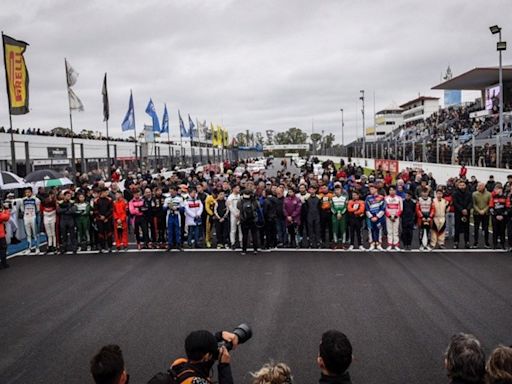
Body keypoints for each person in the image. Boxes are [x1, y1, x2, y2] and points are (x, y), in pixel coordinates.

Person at [162, 330, 238, 384]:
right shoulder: (196, 381)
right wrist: (224, 366)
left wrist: (219, 335)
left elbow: (199, 348)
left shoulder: (179, 363)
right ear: (207, 356)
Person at [238, 189, 259, 255]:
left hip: (244, 220)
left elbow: (238, 207)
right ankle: (255, 249)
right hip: (253, 220)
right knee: (254, 235)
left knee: (245, 235)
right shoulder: (254, 200)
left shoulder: (241, 201)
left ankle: (244, 250)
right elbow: (257, 207)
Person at [365, 184, 386, 251]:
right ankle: (372, 243)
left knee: (379, 230)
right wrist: (371, 217)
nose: (371, 190)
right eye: (370, 189)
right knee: (370, 230)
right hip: (370, 217)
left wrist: (377, 217)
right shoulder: (368, 198)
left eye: (372, 189)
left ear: (376, 189)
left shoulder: (381, 197)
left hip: (379, 217)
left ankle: (379, 243)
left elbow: (383, 208)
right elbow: (367, 208)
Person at [453, 180, 472, 249]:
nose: (462, 186)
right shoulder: (455, 193)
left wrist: (467, 209)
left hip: (467, 213)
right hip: (458, 213)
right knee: (457, 228)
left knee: (466, 228)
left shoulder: (469, 193)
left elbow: (471, 202)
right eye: (460, 185)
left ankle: (467, 242)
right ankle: (456, 242)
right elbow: (455, 203)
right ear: (458, 186)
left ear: (465, 185)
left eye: (463, 185)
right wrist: (462, 210)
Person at [21, 187, 41, 254]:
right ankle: (29, 248)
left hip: (33, 217)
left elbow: (38, 210)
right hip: (26, 217)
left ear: (31, 192)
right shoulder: (23, 200)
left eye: (29, 192)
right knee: (28, 234)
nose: (27, 193)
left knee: (35, 233)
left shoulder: (36, 200)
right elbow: (22, 210)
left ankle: (37, 248)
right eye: (26, 192)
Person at [94, 187, 114, 253]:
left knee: (109, 233)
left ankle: (110, 246)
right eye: (106, 192)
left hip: (108, 219)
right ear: (102, 192)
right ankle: (102, 247)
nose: (107, 193)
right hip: (99, 219)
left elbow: (111, 210)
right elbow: (96, 210)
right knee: (100, 233)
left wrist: (105, 217)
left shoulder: (110, 200)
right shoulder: (96, 200)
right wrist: (100, 216)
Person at [472, 182, 491, 248]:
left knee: (486, 228)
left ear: (483, 186)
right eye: (478, 186)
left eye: (480, 186)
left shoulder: (489, 194)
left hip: (486, 213)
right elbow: (474, 204)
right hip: (476, 213)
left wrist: (484, 210)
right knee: (476, 228)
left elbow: (489, 204)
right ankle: (475, 242)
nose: (478, 187)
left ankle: (486, 242)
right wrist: (479, 210)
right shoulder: (474, 194)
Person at [164, 186, 183, 251]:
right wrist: (168, 207)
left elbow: (183, 209)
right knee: (170, 231)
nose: (171, 193)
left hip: (177, 215)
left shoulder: (179, 199)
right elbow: (163, 208)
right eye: (170, 192)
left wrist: (177, 208)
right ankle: (170, 244)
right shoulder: (167, 199)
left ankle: (178, 244)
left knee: (177, 231)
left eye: (172, 191)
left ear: (175, 191)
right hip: (170, 216)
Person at [489, 183, 508, 249]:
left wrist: (503, 215)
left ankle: (503, 244)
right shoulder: (493, 197)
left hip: (503, 217)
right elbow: (491, 207)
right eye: (495, 189)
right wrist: (496, 215)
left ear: (501, 189)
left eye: (498, 189)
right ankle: (495, 244)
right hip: (495, 217)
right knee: (495, 231)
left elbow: (507, 208)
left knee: (502, 231)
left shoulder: (505, 197)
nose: (496, 190)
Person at [384, 185, 402, 251]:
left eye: (393, 190)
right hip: (388, 217)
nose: (392, 191)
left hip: (396, 217)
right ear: (388, 191)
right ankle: (390, 244)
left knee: (396, 231)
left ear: (395, 191)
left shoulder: (399, 198)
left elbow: (401, 208)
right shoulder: (386, 198)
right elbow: (385, 208)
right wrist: (389, 216)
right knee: (389, 231)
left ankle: (396, 244)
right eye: (390, 190)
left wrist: (396, 216)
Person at [330, 183, 349, 249]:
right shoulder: (332, 198)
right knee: (335, 229)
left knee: (343, 229)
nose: (337, 191)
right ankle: (335, 243)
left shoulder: (344, 198)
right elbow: (331, 207)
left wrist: (341, 213)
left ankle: (343, 243)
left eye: (338, 189)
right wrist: (336, 213)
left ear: (341, 190)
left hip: (342, 216)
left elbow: (346, 207)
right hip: (334, 216)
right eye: (336, 189)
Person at [227, 185, 242, 250]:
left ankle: (241, 242)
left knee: (240, 229)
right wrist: (235, 213)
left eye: (238, 188)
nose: (238, 189)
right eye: (237, 188)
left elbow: (241, 205)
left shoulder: (239, 196)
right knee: (233, 229)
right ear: (233, 189)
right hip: (233, 215)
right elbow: (230, 206)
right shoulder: (230, 197)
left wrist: (239, 213)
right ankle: (233, 243)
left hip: (240, 214)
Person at [0, 202, 11, 269]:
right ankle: (3, 263)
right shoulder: (1, 214)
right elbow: (6, 217)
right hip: (0, 235)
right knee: (3, 249)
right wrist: (6, 209)